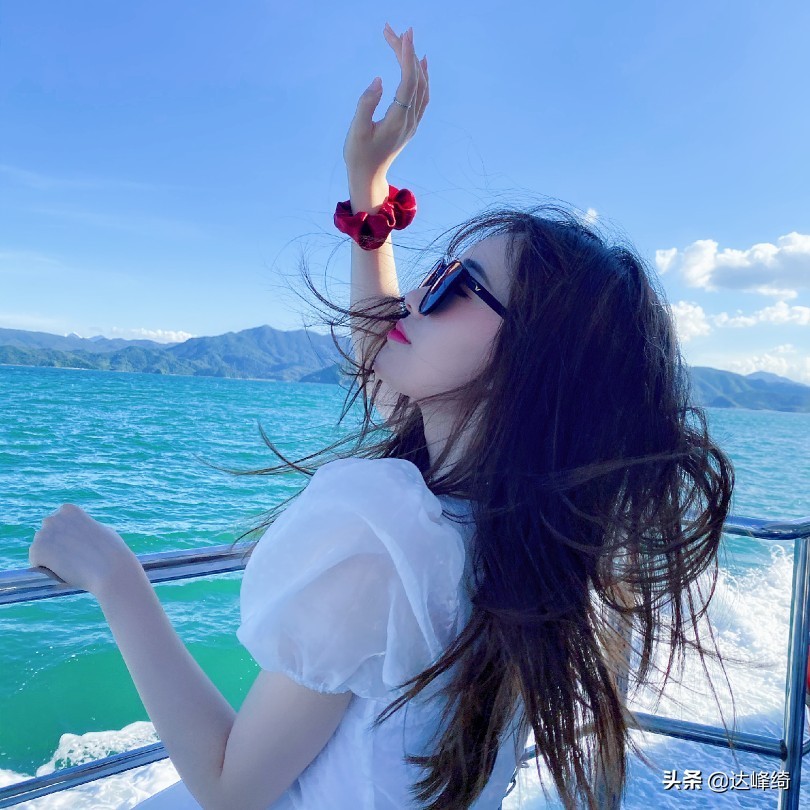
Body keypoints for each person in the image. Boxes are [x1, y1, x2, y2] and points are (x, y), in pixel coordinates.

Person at [28, 22, 735, 810]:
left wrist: (115, 577)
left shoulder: (389, 544)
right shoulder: (532, 541)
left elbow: (231, 790)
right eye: (433, 271)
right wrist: (369, 187)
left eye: (456, 286)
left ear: (533, 364)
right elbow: (386, 355)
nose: (417, 295)